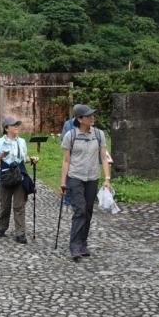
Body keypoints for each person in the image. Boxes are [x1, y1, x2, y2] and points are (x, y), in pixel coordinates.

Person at [59, 104, 111, 262]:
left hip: (92, 178)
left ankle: (83, 243)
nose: (92, 118)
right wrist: (63, 182)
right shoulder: (71, 136)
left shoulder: (99, 134)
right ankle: (74, 245)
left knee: (88, 211)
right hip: (75, 177)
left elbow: (104, 158)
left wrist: (107, 179)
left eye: (93, 115)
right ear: (80, 119)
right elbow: (66, 161)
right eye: (89, 116)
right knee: (80, 210)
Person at [0, 116, 38, 244]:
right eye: (14, 125)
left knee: (19, 206)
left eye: (17, 124)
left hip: (19, 177)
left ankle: (20, 233)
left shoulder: (22, 142)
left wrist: (31, 159)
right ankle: (2, 228)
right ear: (7, 128)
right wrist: (2, 155)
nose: (17, 126)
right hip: (5, 177)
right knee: (5, 206)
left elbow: (23, 158)